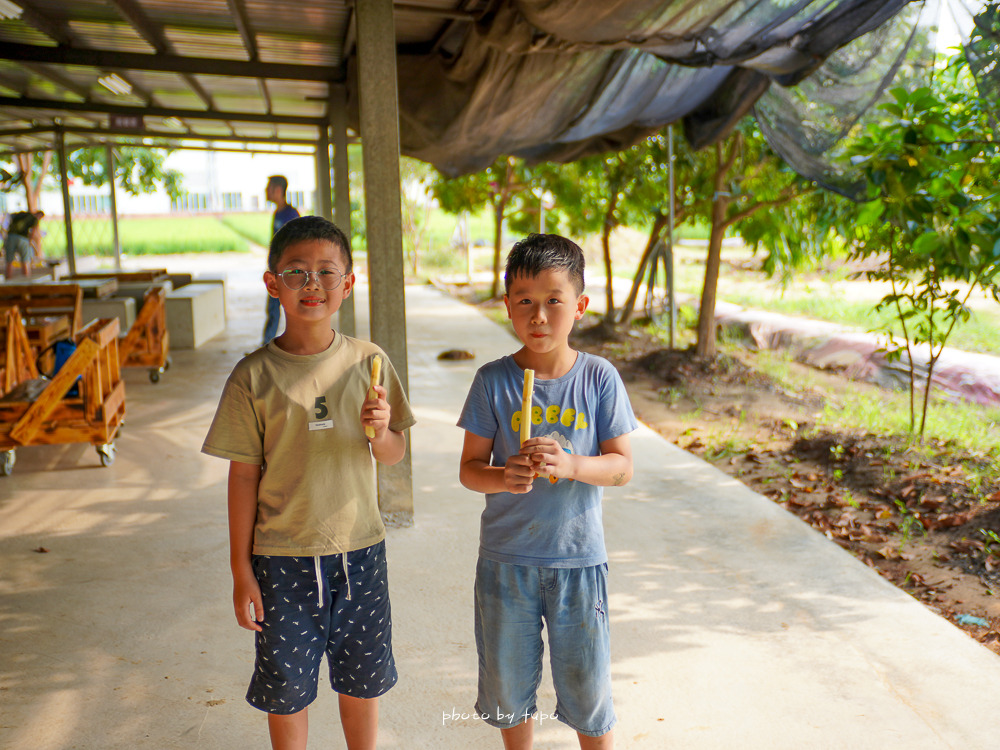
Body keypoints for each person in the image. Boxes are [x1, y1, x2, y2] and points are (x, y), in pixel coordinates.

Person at [202, 215, 415, 750]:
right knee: (286, 692)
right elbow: (243, 476)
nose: (312, 285)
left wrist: (382, 431)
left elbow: (393, 455)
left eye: (327, 272)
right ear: (273, 283)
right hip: (281, 561)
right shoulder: (253, 376)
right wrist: (239, 568)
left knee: (362, 683)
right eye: (296, 273)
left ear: (349, 282)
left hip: (360, 552)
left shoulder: (369, 363)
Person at [458, 233, 637, 750]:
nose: (539, 316)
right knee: (509, 691)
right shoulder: (494, 381)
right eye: (525, 302)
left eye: (554, 301)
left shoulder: (599, 378)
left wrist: (574, 463)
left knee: (588, 694)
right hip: (506, 562)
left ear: (579, 306)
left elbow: (622, 467)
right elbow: (471, 470)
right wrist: (503, 476)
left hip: (578, 561)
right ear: (507, 305)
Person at [261, 175, 301, 345]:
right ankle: (266, 345)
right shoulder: (278, 212)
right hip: (277, 269)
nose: (265, 191)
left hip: (287, 271)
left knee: (292, 309)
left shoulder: (291, 214)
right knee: (272, 308)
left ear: (278, 190)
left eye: (268, 188)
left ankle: (298, 343)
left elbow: (298, 244)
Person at [3, 209, 42, 279]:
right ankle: (26, 281)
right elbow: (33, 232)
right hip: (23, 238)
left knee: (9, 261)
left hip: (10, 236)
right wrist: (30, 241)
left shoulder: (22, 214)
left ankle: (8, 280)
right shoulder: (34, 219)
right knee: (25, 260)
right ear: (39, 215)